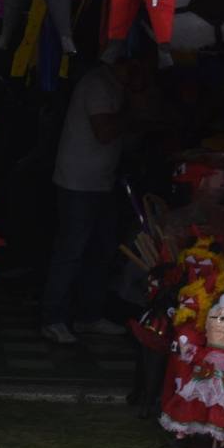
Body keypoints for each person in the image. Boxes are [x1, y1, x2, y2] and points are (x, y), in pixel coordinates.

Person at [41, 59, 141, 343]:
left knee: (101, 249)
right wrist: (134, 109)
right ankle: (53, 318)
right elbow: (104, 131)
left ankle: (89, 315)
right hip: (78, 182)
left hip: (101, 180)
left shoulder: (114, 85)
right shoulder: (98, 83)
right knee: (71, 250)